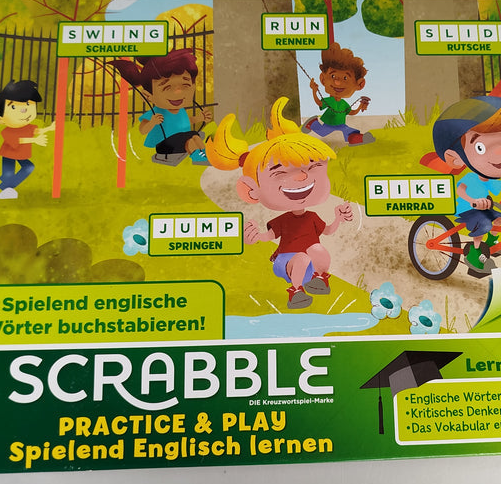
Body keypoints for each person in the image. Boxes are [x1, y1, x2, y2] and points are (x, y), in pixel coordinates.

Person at [206, 97, 353, 308]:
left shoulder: (312, 217)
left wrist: (338, 218)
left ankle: (320, 279)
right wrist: (253, 238)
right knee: (302, 257)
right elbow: (269, 236)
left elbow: (327, 231)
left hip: (310, 264)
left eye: (313, 167)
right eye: (280, 173)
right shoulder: (283, 220)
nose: (302, 177)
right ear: (251, 191)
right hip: (286, 262)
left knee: (317, 250)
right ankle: (296, 292)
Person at [432, 95, 501, 271]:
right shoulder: (471, 178)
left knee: (498, 218)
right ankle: (474, 254)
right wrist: (473, 201)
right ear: (456, 158)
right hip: (467, 208)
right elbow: (460, 190)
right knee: (483, 224)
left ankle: (491, 242)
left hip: (484, 206)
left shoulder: (489, 179)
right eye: (480, 147)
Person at [110, 48, 211, 165]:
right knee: (188, 140)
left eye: (185, 85)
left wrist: (200, 118)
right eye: (167, 87)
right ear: (148, 96)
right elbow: (142, 130)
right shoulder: (156, 112)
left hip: (181, 138)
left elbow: (184, 121)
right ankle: (197, 157)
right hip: (164, 144)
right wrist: (152, 122)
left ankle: (204, 153)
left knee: (195, 136)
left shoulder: (180, 110)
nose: (178, 92)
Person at [0, 80, 54, 199]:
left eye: (28, 104)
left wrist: (49, 128)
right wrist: (35, 141)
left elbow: (35, 131)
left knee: (29, 167)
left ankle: (6, 186)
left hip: (21, 154)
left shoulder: (27, 126)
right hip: (8, 155)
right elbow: (19, 140)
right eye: (13, 107)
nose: (24, 111)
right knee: (8, 174)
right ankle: (6, 188)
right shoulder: (7, 131)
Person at [302, 42, 374, 145]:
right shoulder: (330, 101)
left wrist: (360, 106)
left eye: (345, 78)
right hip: (329, 124)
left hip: (341, 125)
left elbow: (351, 112)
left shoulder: (343, 103)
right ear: (323, 79)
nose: (337, 82)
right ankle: (312, 123)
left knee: (348, 131)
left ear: (359, 84)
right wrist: (314, 90)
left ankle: (357, 138)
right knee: (322, 132)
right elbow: (319, 103)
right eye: (333, 76)